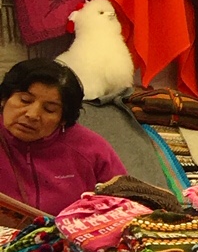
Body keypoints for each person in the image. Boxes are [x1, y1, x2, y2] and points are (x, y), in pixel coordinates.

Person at [0, 58, 126, 214]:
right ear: (4, 99)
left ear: (63, 119)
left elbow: (126, 207)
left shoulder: (92, 150)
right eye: (25, 100)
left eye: (49, 109)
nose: (32, 115)